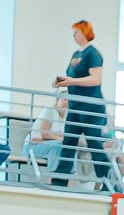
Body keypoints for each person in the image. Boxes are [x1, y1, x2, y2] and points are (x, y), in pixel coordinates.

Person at [49, 22, 114, 191]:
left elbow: (95, 79)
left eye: (76, 32)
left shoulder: (93, 53)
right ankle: (60, 180)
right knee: (69, 142)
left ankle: (108, 180)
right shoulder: (75, 54)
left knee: (93, 143)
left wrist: (72, 81)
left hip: (91, 106)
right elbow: (74, 77)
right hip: (76, 105)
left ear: (85, 32)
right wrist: (62, 82)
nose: (74, 35)